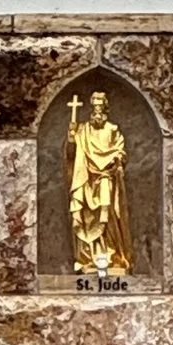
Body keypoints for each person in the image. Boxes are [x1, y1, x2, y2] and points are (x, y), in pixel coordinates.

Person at [66, 89, 131, 277]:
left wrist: (116, 159)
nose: (97, 112)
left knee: (107, 213)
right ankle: (88, 258)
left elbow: (121, 152)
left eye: (100, 108)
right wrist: (71, 137)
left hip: (105, 177)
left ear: (105, 109)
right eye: (95, 107)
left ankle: (110, 254)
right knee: (85, 217)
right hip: (85, 179)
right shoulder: (82, 130)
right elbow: (71, 155)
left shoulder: (112, 130)